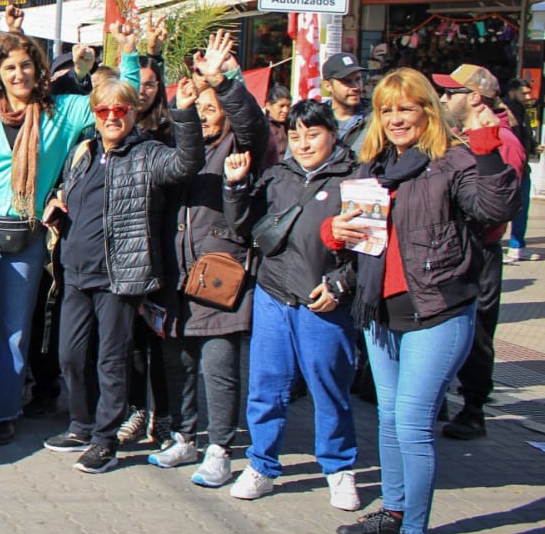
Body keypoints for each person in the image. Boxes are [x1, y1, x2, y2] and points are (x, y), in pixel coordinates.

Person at [330, 69, 518, 534]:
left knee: (412, 424)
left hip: (437, 311)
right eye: (387, 110)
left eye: (406, 108)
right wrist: (335, 232)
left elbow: (497, 207)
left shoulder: (452, 161)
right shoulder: (374, 166)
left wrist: (486, 144)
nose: (396, 119)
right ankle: (393, 511)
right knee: (389, 419)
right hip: (380, 313)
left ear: (427, 111)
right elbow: (359, 241)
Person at [0, 25, 120, 447]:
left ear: (38, 71)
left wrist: (122, 55)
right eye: (9, 68)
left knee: (15, 329)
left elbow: (116, 99)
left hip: (27, 229)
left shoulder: (63, 112)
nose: (18, 74)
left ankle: (4, 412)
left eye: (25, 66)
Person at [43, 72, 204, 474]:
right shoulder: (83, 151)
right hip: (75, 272)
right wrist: (55, 204)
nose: (112, 116)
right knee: (70, 356)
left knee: (111, 361)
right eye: (103, 110)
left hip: (118, 276)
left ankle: (105, 441)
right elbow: (65, 190)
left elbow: (187, 164)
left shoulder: (148, 153)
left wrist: (185, 113)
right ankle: (81, 425)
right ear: (94, 114)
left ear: (133, 113)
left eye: (121, 109)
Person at [221, 99, 360, 503]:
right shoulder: (277, 176)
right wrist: (235, 186)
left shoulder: (355, 178)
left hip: (323, 302)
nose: (304, 144)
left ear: (332, 134)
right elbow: (242, 225)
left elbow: (369, 247)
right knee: (266, 386)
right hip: (273, 295)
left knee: (329, 388)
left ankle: (339, 468)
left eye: (313, 135)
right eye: (296, 136)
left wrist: (340, 284)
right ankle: (262, 464)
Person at [151, 32, 269, 475]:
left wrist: (222, 81)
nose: (202, 114)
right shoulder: (180, 149)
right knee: (177, 363)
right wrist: (183, 110)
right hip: (177, 276)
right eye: (196, 108)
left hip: (220, 275)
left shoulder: (239, 146)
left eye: (210, 107)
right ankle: (184, 437)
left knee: (219, 368)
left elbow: (252, 124)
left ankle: (220, 448)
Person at [429, 68, 529, 442]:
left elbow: (500, 205)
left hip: (479, 249)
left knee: (477, 331)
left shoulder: (503, 140)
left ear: (474, 97)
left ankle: (473, 410)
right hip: (453, 245)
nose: (443, 99)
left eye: (450, 92)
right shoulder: (457, 136)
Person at [501, 77, 537, 264]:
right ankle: (494, 246)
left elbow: (525, 136)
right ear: (512, 92)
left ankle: (517, 246)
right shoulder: (502, 111)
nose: (528, 97)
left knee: (522, 209)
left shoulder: (523, 112)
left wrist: (534, 146)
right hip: (507, 169)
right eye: (524, 93)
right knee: (500, 209)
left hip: (523, 169)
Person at [322, 53, 369, 154]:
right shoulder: (315, 118)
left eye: (358, 79)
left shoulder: (373, 117)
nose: (356, 87)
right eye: (347, 81)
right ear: (328, 85)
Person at [264, 83, 292, 161]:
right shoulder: (261, 127)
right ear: (268, 106)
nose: (286, 110)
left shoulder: (291, 126)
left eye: (288, 106)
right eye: (281, 106)